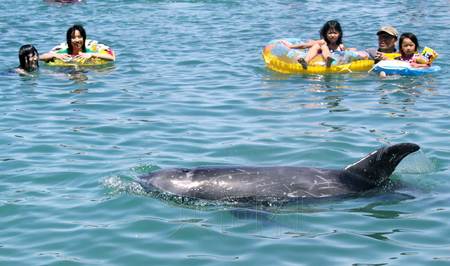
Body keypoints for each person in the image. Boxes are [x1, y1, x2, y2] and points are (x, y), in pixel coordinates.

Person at [40, 24, 115, 62]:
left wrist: (91, 54)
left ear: (84, 38)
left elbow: (112, 58)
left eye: (79, 37)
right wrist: (56, 55)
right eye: (73, 37)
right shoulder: (64, 52)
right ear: (69, 40)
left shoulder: (88, 52)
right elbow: (40, 57)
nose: (77, 40)